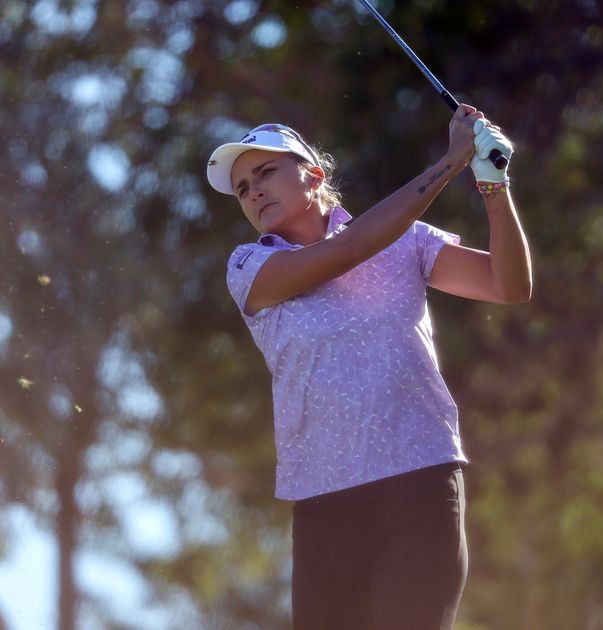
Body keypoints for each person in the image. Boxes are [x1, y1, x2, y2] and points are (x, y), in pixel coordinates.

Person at [205, 104, 532, 630]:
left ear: (313, 174)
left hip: (421, 487)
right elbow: (352, 248)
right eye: (243, 189)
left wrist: (493, 185)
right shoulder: (250, 267)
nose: (255, 192)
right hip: (324, 509)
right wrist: (451, 163)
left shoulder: (407, 240)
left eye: (265, 172)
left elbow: (509, 286)